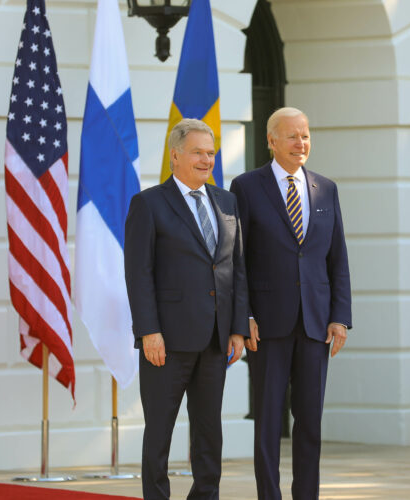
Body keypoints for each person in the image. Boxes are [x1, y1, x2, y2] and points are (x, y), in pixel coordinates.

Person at [229, 107, 352, 500]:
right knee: (267, 422)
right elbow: (237, 259)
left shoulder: (325, 189)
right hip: (266, 325)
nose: (302, 143)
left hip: (316, 324)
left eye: (306, 136)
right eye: (293, 136)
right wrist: (243, 314)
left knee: (310, 422)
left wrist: (340, 317)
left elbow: (338, 258)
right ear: (271, 141)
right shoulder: (246, 187)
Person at [124, 118, 248, 500]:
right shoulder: (148, 204)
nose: (206, 160)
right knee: (159, 431)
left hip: (215, 338)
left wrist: (238, 327)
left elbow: (236, 267)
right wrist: (148, 330)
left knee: (209, 430)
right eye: (198, 152)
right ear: (175, 155)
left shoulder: (226, 201)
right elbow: (138, 273)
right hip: (167, 340)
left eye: (211, 153)